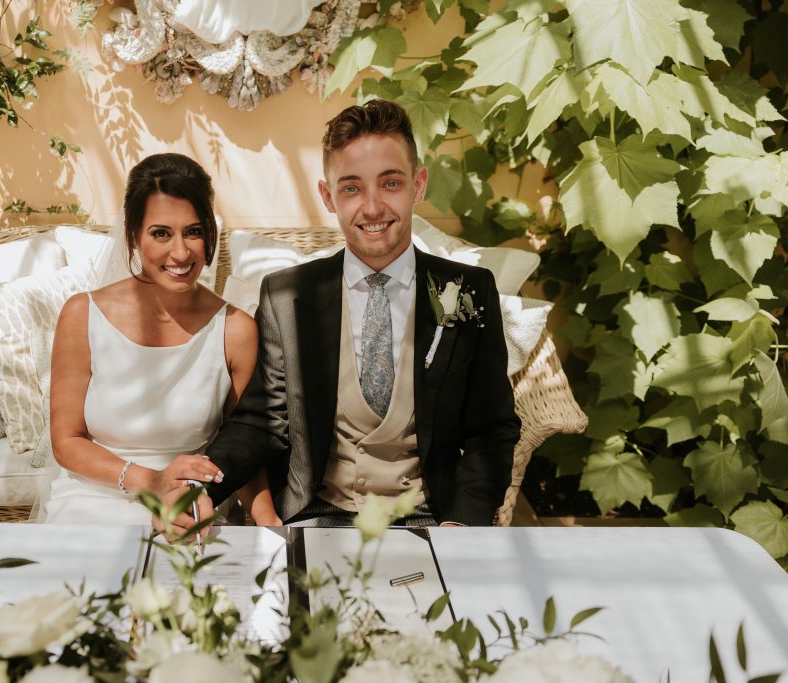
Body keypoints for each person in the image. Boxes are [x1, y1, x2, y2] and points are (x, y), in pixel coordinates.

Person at [172, 99, 520, 531]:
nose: (372, 208)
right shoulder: (286, 295)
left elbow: (491, 429)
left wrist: (462, 524)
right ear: (328, 196)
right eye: (352, 188)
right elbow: (262, 422)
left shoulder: (468, 290)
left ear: (418, 185)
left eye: (390, 183)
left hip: (430, 518)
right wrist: (201, 488)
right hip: (317, 514)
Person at [42, 153, 281, 526]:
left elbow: (246, 443)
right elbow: (66, 442)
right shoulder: (82, 314)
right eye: (161, 233)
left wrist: (268, 522)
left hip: (191, 503)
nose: (181, 253)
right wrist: (151, 481)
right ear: (134, 235)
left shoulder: (236, 330)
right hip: (91, 498)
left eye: (194, 231)